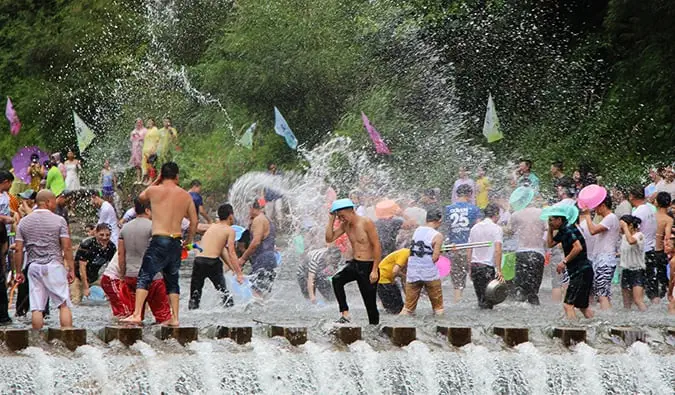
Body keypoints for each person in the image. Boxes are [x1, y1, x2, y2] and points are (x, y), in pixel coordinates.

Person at [122, 162, 198, 326]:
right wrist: (189, 241)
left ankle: (136, 314)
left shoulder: (154, 190)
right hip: (176, 240)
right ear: (177, 176)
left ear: (162, 175)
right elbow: (194, 221)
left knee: (144, 276)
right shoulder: (186, 195)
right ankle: (175, 318)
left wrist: (156, 180)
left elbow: (140, 198)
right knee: (172, 280)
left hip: (159, 238)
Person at [13, 190, 74, 329]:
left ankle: (37, 343)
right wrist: (71, 269)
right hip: (54, 266)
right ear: (47, 202)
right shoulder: (59, 220)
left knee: (37, 308)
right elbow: (67, 247)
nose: (55, 204)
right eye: (53, 201)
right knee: (63, 304)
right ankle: (68, 340)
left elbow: (18, 249)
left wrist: (18, 272)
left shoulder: (24, 222)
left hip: (33, 266)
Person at [111, 198, 171, 322]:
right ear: (148, 210)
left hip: (131, 276)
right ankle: (167, 340)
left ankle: (135, 340)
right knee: (163, 316)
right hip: (153, 277)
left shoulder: (124, 228)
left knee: (135, 315)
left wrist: (122, 276)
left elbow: (121, 255)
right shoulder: (154, 227)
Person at [326, 198, 381, 324]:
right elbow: (329, 238)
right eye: (339, 217)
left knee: (370, 303)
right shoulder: (345, 225)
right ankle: (345, 313)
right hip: (355, 263)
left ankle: (374, 328)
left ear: (351, 211)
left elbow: (377, 245)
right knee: (337, 279)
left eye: (342, 216)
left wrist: (374, 270)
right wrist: (331, 219)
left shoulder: (366, 222)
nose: (341, 219)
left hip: (368, 266)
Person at [189, 203, 244, 309]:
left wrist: (233, 270)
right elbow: (231, 253)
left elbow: (222, 251)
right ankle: (230, 313)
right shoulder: (230, 230)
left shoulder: (212, 227)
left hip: (198, 261)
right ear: (230, 216)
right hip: (212, 263)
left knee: (195, 295)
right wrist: (239, 274)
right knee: (224, 293)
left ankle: (192, 315)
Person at [545, 206, 594, 319]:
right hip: (583, 271)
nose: (550, 222)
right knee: (583, 307)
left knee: (568, 305)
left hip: (580, 271)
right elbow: (550, 244)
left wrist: (564, 261)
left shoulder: (568, 229)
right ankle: (596, 327)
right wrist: (550, 229)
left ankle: (573, 331)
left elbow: (578, 247)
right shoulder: (563, 230)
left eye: (551, 220)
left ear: (559, 220)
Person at [400, 209, 444, 316]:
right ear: (439, 220)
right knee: (438, 308)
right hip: (429, 273)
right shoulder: (437, 235)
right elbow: (435, 258)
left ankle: (399, 325)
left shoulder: (417, 230)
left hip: (413, 272)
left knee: (408, 309)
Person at [443, 184, 481, 302]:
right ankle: (480, 301)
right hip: (469, 247)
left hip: (453, 247)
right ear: (469, 195)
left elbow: (445, 228)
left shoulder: (448, 209)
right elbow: (478, 227)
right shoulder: (474, 209)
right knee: (476, 275)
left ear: (457, 194)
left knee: (457, 280)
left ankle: (457, 300)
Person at [581, 194, 619, 309]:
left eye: (596, 206)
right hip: (602, 260)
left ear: (603, 205)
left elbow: (592, 230)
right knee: (602, 293)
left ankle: (607, 320)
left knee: (602, 294)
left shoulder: (610, 217)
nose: (595, 209)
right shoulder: (608, 219)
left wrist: (587, 215)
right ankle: (606, 316)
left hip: (605, 260)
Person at [507, 198, 546, 305]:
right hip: (538, 253)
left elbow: (509, 231)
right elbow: (548, 230)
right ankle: (536, 311)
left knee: (520, 288)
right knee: (533, 291)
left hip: (521, 252)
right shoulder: (542, 213)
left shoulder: (516, 214)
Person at [238, 200, 277, 297]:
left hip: (263, 259)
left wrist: (243, 259)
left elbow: (256, 242)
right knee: (262, 294)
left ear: (251, 208)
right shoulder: (267, 219)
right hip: (270, 259)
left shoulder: (258, 220)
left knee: (255, 292)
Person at [467, 203, 503, 309]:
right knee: (489, 299)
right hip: (486, 267)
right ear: (496, 214)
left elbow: (469, 249)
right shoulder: (496, 228)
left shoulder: (475, 228)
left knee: (481, 299)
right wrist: (499, 270)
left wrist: (469, 268)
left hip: (475, 266)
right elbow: (498, 250)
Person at [71, 224, 116, 304]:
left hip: (95, 277)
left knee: (113, 297)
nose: (105, 238)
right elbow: (82, 268)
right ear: (95, 233)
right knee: (76, 302)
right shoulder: (87, 245)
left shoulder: (111, 247)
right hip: (78, 277)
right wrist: (85, 287)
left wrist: (109, 287)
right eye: (101, 235)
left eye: (107, 235)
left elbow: (112, 267)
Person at [628, 186, 659, 303]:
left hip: (641, 251)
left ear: (631, 196)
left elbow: (633, 231)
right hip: (651, 248)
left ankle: (640, 308)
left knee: (638, 282)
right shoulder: (650, 209)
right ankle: (656, 307)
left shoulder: (638, 211)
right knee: (652, 283)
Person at [618, 215, 647, 311]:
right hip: (626, 270)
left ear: (630, 226)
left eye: (622, 226)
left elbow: (631, 241)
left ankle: (646, 317)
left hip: (637, 271)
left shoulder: (639, 235)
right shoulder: (623, 237)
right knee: (626, 303)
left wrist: (625, 227)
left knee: (638, 300)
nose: (620, 229)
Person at [652, 192, 673, 304]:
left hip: (649, 251)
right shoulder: (668, 220)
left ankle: (652, 298)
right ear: (669, 204)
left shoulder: (651, 215)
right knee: (662, 277)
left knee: (650, 277)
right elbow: (667, 237)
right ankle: (663, 298)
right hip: (660, 251)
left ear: (656, 203)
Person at [377, 248, 409, 314]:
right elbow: (395, 271)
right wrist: (394, 280)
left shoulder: (407, 260)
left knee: (397, 307)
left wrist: (408, 297)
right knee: (394, 308)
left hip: (385, 280)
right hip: (382, 279)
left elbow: (403, 281)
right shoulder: (405, 253)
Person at [142, 118, 160, 184]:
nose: (149, 123)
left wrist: (154, 149)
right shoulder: (147, 130)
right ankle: (147, 179)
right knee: (146, 166)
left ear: (153, 122)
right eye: (148, 121)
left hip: (152, 150)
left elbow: (157, 140)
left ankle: (151, 179)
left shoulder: (155, 129)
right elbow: (145, 141)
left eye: (150, 121)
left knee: (151, 165)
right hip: (145, 150)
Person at [130, 118, 147, 184]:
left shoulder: (145, 130)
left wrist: (139, 136)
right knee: (137, 165)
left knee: (144, 164)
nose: (138, 123)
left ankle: (144, 179)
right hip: (135, 149)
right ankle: (138, 179)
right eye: (137, 122)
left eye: (140, 122)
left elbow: (146, 138)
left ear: (142, 123)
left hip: (142, 148)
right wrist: (133, 136)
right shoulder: (133, 131)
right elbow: (131, 140)